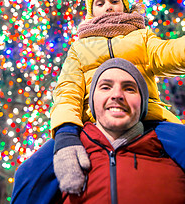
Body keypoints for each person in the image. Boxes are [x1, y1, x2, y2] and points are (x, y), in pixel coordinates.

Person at [51, 0, 185, 193]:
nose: (108, 6)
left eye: (114, 0)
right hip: (93, 123)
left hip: (148, 119)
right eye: (100, 2)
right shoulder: (79, 47)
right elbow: (68, 90)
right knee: (31, 173)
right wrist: (65, 133)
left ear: (124, 5)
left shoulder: (141, 37)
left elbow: (169, 52)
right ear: (91, 11)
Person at [11, 58, 185, 204]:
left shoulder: (173, 150)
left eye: (129, 88)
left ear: (143, 103)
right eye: (105, 87)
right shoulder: (59, 157)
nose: (117, 94)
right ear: (92, 101)